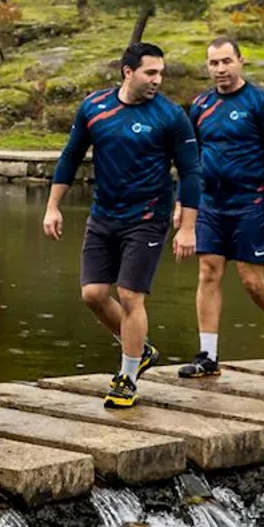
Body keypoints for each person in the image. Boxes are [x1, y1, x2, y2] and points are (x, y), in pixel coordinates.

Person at [43, 42, 200, 408]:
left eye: (161, 73)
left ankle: (127, 378)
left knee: (130, 296)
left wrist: (188, 226)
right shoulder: (95, 108)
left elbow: (192, 172)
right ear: (127, 72)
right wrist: (53, 206)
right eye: (150, 72)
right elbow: (71, 157)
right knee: (93, 295)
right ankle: (140, 350)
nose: (157, 80)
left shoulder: (171, 116)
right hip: (103, 215)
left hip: (147, 218)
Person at [176, 38, 264, 378]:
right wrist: (182, 202)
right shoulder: (200, 105)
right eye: (214, 63)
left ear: (241, 61)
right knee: (208, 271)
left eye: (227, 61)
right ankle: (208, 356)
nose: (220, 69)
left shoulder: (260, 103)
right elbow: (190, 160)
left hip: (254, 200)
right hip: (212, 202)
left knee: (251, 280)